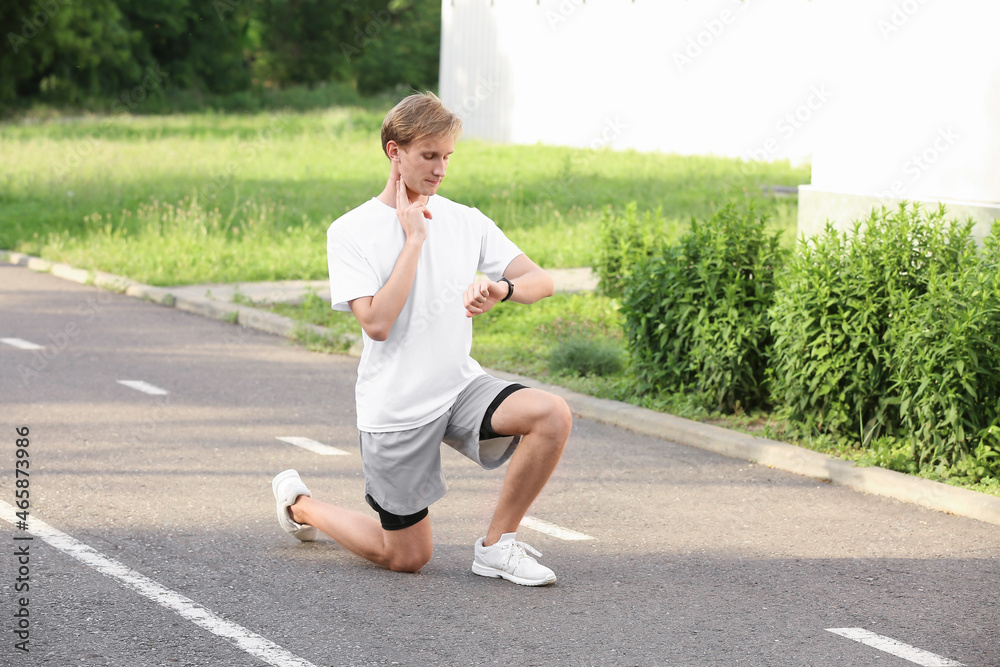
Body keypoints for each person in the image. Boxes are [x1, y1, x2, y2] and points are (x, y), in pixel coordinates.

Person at [271, 92, 572, 586]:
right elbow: (376, 323)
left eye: (447, 156)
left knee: (551, 413)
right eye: (429, 155)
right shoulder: (350, 231)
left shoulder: (466, 220)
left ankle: (497, 547)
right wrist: (413, 240)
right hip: (395, 410)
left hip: (458, 388)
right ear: (395, 152)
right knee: (407, 558)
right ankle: (302, 506)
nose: (441, 168)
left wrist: (502, 288)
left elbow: (542, 281)